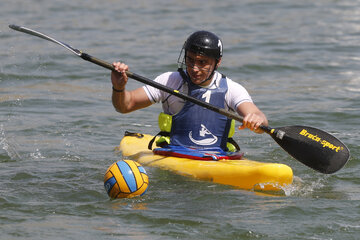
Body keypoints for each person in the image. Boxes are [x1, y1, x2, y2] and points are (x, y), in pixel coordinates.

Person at [111, 30, 268, 155]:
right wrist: (119, 87)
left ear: (217, 62)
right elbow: (125, 106)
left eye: (202, 62)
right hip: (173, 155)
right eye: (190, 60)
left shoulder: (232, 89)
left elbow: (259, 118)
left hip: (217, 157)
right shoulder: (169, 81)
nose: (194, 68)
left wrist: (256, 120)